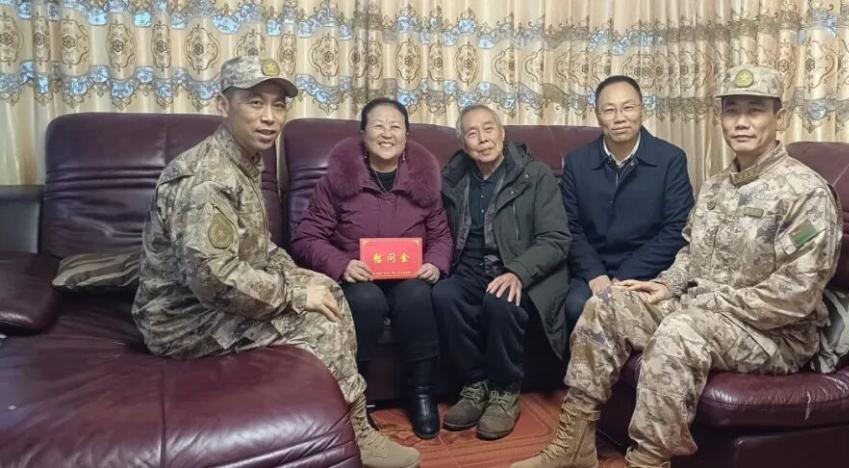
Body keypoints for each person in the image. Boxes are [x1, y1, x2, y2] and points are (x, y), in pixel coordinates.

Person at [514, 65, 843, 467]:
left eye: (755, 110)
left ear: (781, 118)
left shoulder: (806, 192)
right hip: (703, 310)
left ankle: (648, 460)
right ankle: (574, 445)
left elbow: (796, 296)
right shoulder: (717, 185)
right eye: (732, 111)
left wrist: (705, 302)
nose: (740, 122)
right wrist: (668, 284)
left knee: (679, 331)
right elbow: (689, 250)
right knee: (607, 304)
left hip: (773, 333)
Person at [132, 56, 420, 468]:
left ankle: (344, 418)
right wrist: (295, 293)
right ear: (223, 105)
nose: (269, 117)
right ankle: (355, 434)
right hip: (183, 319)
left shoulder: (244, 160)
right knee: (318, 323)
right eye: (255, 102)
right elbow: (213, 279)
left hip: (211, 299)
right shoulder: (206, 178)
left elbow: (258, 248)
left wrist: (302, 278)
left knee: (329, 292)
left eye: (278, 105)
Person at [291, 97, 453, 440]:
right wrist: (341, 264)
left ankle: (422, 393)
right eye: (378, 126)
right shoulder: (337, 181)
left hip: (409, 275)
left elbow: (441, 235)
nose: (387, 134)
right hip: (358, 275)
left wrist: (435, 263)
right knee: (366, 301)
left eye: (395, 126)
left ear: (406, 135)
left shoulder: (425, 182)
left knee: (416, 297)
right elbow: (306, 237)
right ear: (363, 134)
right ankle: (357, 398)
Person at [432, 104, 571, 440]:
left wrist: (518, 272)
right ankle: (475, 384)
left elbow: (556, 239)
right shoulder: (454, 179)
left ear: (502, 133)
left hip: (522, 270)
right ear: (463, 143)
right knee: (444, 295)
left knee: (500, 300)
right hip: (469, 270)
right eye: (472, 133)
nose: (483, 139)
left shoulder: (535, 175)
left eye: (488, 129)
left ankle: (505, 391)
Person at [561, 75, 694, 332]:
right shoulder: (577, 163)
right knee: (577, 306)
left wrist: (624, 276)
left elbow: (677, 228)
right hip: (593, 267)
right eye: (609, 110)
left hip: (649, 268)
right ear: (598, 116)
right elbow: (569, 228)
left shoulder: (670, 159)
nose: (619, 118)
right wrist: (595, 274)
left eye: (628, 107)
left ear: (642, 110)